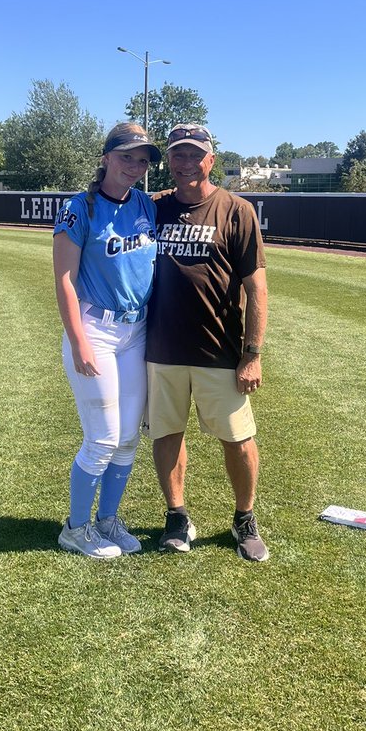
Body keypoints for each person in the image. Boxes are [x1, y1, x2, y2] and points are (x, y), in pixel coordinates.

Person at [146, 124, 269, 561]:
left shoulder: (236, 211)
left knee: (238, 438)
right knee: (166, 432)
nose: (185, 163)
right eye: (177, 154)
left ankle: (244, 518)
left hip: (219, 349)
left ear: (210, 160)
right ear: (169, 160)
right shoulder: (152, 207)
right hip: (161, 349)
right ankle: (176, 515)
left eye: (194, 155)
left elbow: (257, 288)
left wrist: (252, 355)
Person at [53, 122, 161, 559]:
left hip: (136, 332)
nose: (135, 166)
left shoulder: (145, 205)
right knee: (102, 438)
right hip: (95, 328)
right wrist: (78, 340)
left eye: (142, 160)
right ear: (105, 158)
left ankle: (107, 520)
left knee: (129, 438)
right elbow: (64, 279)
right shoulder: (81, 208)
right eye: (126, 156)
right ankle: (75, 530)